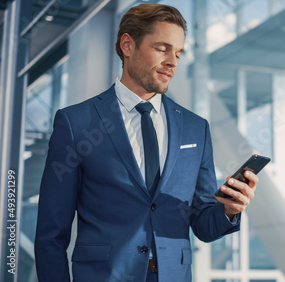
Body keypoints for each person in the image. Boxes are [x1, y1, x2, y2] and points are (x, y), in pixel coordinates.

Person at [34, 4, 258, 282]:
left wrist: (228, 210)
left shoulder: (195, 128)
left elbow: (202, 224)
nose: (173, 61)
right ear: (127, 45)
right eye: (162, 49)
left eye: (178, 53)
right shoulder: (76, 123)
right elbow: (50, 235)